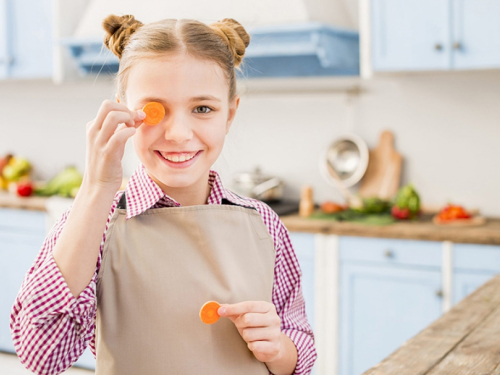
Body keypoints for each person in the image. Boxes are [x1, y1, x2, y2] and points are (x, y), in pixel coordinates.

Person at [10, 14, 316, 375]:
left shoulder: (263, 222)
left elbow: (300, 347)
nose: (178, 134)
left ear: (229, 114)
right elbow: (40, 355)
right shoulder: (98, 222)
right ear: (123, 109)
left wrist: (278, 348)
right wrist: (97, 186)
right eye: (156, 110)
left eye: (202, 108)